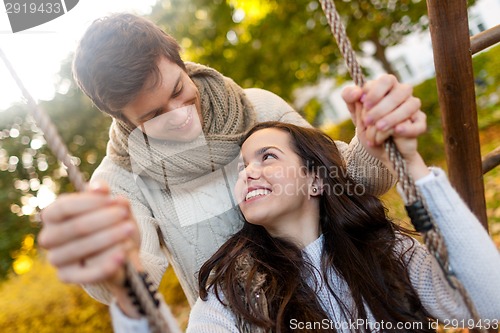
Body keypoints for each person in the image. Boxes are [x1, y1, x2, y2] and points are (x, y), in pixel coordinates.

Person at [38, 13, 425, 317]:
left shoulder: (260, 107)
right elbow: (133, 280)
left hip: (348, 306)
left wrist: (375, 142)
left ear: (181, 62)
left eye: (178, 91)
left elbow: (354, 183)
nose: (181, 116)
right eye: (154, 114)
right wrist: (113, 266)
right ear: (122, 118)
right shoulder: (120, 180)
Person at [110, 113, 500, 332]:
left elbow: (489, 304)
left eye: (268, 157)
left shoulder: (388, 252)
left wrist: (412, 164)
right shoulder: (230, 297)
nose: (248, 173)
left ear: (316, 179)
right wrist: (128, 295)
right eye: (243, 167)